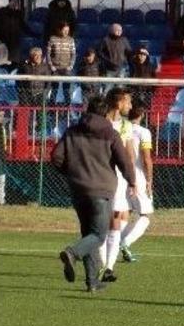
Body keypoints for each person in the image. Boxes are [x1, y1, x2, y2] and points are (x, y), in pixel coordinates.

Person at [54, 96, 135, 293]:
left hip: (78, 190)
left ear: (87, 109)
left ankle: (92, 281)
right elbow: (124, 161)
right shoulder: (110, 133)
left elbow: (56, 157)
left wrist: (73, 174)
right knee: (98, 235)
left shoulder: (72, 131)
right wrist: (132, 180)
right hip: (101, 190)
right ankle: (72, 253)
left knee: (88, 233)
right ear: (106, 112)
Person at [99, 87, 134, 283]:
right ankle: (102, 264)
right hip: (101, 175)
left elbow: (130, 155)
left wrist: (131, 179)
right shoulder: (101, 123)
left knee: (115, 219)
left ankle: (108, 268)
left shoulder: (126, 126)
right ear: (119, 103)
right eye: (128, 102)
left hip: (118, 178)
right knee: (100, 221)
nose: (130, 106)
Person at [120, 106, 154, 263]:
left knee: (123, 213)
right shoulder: (143, 132)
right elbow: (146, 159)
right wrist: (149, 179)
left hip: (121, 175)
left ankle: (111, 244)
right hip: (137, 176)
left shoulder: (122, 128)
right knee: (145, 216)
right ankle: (124, 243)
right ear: (141, 115)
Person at [0, 0, 30, 68]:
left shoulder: (18, 14)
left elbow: (23, 26)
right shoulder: (1, 12)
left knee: (14, 63)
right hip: (3, 41)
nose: (15, 3)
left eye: (17, 2)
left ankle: (12, 77)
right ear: (9, 2)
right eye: (14, 1)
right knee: (2, 62)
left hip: (15, 43)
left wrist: (32, 33)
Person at [46, 22, 76, 103]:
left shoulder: (71, 40)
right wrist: (51, 65)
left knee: (66, 90)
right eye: (64, 30)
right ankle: (52, 110)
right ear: (59, 30)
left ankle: (67, 110)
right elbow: (48, 54)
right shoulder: (52, 39)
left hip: (66, 68)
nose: (66, 32)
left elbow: (73, 54)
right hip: (55, 69)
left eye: (68, 30)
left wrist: (71, 66)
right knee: (54, 90)